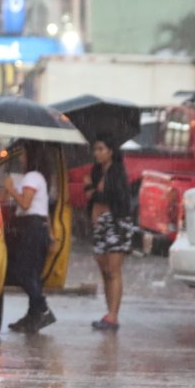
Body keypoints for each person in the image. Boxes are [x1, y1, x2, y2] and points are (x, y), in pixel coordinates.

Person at [3, 141, 56, 333]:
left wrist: (11, 189)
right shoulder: (37, 177)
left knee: (23, 272)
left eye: (24, 154)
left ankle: (41, 308)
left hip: (32, 228)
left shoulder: (32, 177)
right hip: (37, 227)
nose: (20, 158)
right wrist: (50, 235)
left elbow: (25, 204)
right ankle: (33, 316)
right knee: (32, 274)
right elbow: (43, 210)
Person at [86, 135, 134, 331]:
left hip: (115, 223)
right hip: (100, 225)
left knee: (114, 271)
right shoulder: (96, 171)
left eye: (101, 149)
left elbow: (108, 197)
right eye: (95, 149)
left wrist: (90, 188)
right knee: (105, 271)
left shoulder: (117, 174)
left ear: (111, 151)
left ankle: (113, 315)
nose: (97, 153)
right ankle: (109, 313)